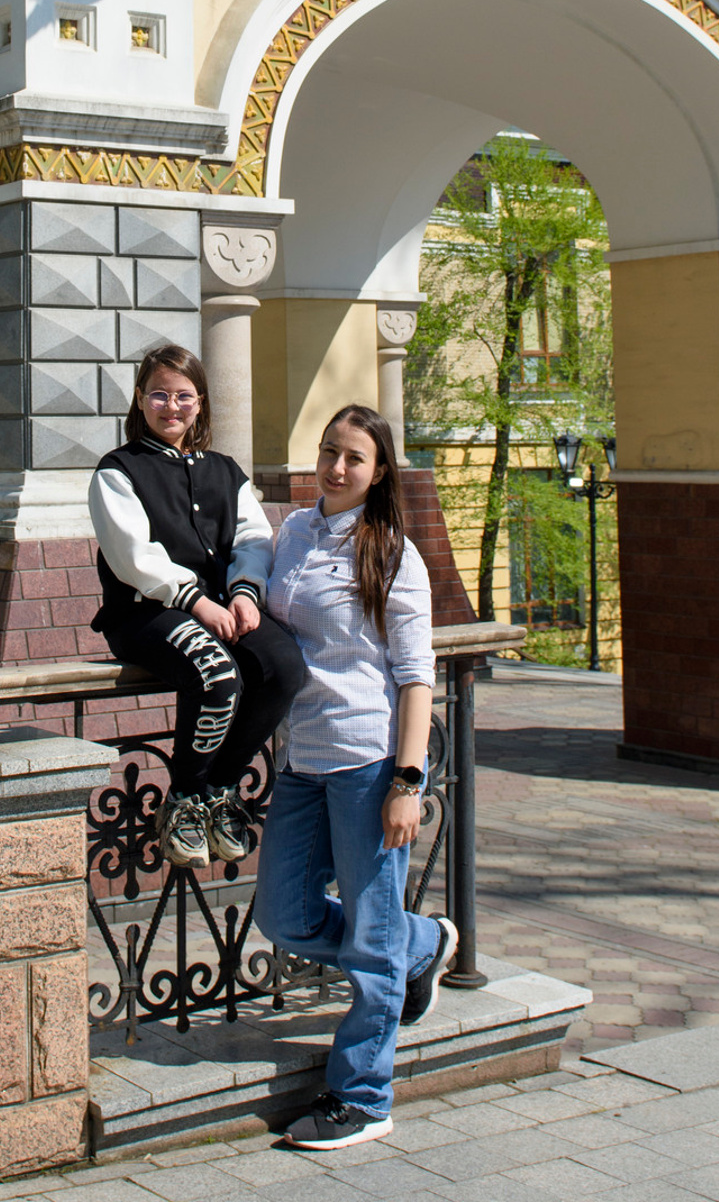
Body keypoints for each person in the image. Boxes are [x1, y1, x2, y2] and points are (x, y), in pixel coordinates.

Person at [238, 402, 460, 1150]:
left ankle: (363, 1095)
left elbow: (415, 675)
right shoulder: (294, 532)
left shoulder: (395, 553)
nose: (337, 467)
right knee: (284, 914)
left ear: (379, 471)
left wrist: (408, 781)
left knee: (369, 940)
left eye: (354, 458)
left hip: (368, 762)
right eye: (330, 451)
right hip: (301, 758)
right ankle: (421, 945)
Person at [89, 343, 307, 869]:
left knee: (284, 667)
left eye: (184, 396)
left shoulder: (225, 472)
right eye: (159, 395)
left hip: (223, 605)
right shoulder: (118, 471)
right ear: (140, 401)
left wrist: (244, 591)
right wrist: (195, 601)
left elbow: (254, 538)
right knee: (217, 674)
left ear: (201, 403)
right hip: (148, 612)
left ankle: (220, 788)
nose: (172, 407)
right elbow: (131, 556)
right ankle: (185, 798)